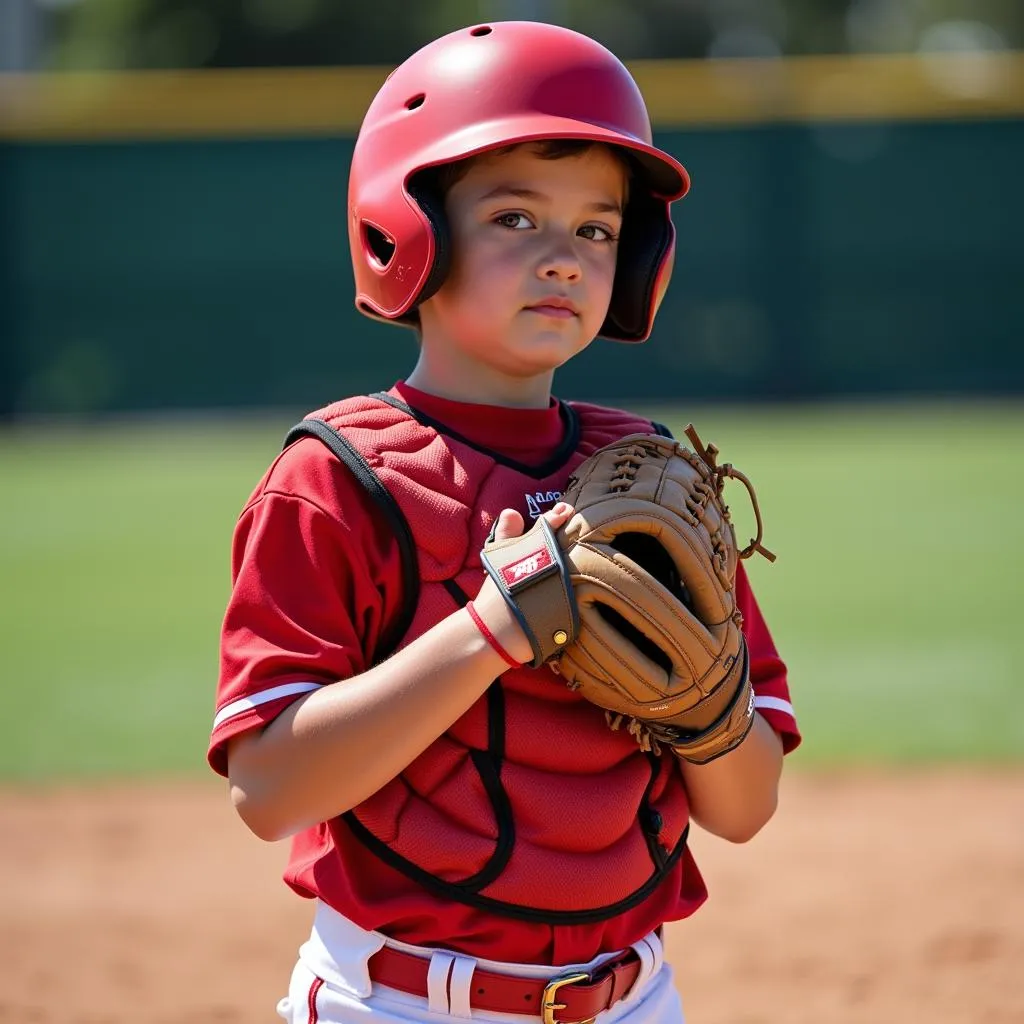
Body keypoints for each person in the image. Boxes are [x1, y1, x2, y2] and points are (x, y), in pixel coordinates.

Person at [208, 20, 800, 1024]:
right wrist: (492, 630)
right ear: (411, 226)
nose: (565, 258)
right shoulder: (339, 479)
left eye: (598, 228)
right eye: (516, 218)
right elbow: (269, 791)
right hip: (398, 1003)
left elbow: (745, 809)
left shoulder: (652, 485)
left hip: (632, 998)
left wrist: (704, 711)